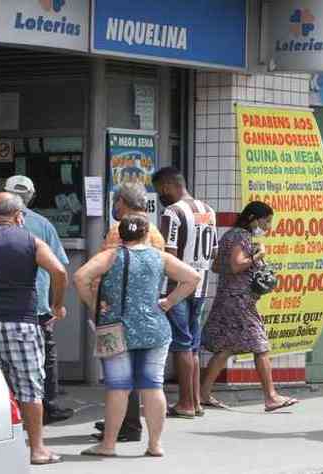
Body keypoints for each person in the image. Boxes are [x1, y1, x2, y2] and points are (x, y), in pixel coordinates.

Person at [74, 213, 200, 457]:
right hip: (155, 329)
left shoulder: (111, 256)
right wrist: (169, 301)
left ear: (120, 235)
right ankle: (155, 445)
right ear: (146, 234)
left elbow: (80, 277)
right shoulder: (159, 257)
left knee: (118, 388)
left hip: (114, 329)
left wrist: (93, 305)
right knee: (153, 386)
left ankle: (108, 445)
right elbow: (192, 278)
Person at [0, 192, 68, 465]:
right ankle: (37, 449)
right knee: (29, 389)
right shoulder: (31, 240)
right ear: (18, 216)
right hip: (23, 324)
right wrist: (57, 305)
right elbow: (59, 272)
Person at [200, 201, 299, 412]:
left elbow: (218, 265)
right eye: (266, 221)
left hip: (228, 298)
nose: (267, 226)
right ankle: (271, 397)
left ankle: (203, 394)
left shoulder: (229, 235)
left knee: (226, 348)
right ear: (253, 218)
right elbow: (236, 265)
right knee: (261, 346)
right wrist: (257, 256)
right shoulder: (241, 236)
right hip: (240, 301)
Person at [93, 182, 165, 442]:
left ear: (122, 201)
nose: (114, 207)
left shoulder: (118, 231)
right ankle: (136, 428)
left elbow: (98, 273)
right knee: (144, 377)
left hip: (115, 314)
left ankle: (126, 425)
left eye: (115, 202)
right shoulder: (155, 232)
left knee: (118, 378)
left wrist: (94, 306)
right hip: (148, 314)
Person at [152, 167, 218, 418]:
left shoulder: (173, 211)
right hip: (201, 283)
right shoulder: (208, 211)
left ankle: (186, 403)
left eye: (159, 190)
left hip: (177, 286)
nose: (160, 195)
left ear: (168, 186)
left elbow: (170, 255)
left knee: (181, 344)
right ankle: (196, 402)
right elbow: (213, 250)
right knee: (193, 345)